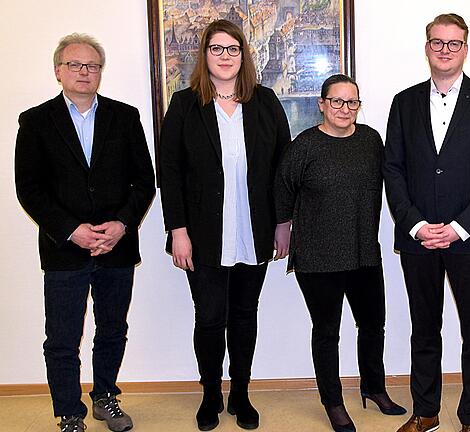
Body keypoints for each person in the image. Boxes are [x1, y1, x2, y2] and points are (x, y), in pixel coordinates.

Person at [14, 33, 155, 432]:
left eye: (92, 65)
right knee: (62, 338)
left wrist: (122, 224)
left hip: (116, 247)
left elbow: (143, 182)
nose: (84, 71)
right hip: (65, 251)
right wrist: (70, 230)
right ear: (58, 70)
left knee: (113, 329)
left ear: (100, 73)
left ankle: (105, 396)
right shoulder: (36, 121)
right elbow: (30, 189)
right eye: (75, 64)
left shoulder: (125, 117)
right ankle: (70, 413)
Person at [158, 19, 290, 431]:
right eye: (217, 49)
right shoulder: (183, 104)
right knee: (210, 317)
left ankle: (241, 395)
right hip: (201, 235)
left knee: (245, 315)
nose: (225, 56)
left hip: (255, 230)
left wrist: (284, 222)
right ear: (205, 55)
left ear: (243, 56)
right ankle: (211, 394)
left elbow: (283, 167)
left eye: (233, 49)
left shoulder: (265, 102)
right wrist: (178, 230)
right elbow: (171, 172)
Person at [383, 13, 470, 432]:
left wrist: (459, 227)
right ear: (426, 48)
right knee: (424, 328)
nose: (445, 50)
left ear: (465, 49)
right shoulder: (403, 102)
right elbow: (394, 170)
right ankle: (427, 412)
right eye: (437, 42)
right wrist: (417, 225)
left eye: (453, 43)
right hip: (417, 237)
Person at [274, 74, 406, 432]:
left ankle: (374, 389)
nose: (345, 109)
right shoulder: (304, 145)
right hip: (318, 257)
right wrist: (282, 230)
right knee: (327, 331)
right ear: (322, 104)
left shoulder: (370, 141)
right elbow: (282, 190)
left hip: (364, 252)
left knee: (373, 325)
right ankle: (333, 402)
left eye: (352, 102)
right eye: (337, 101)